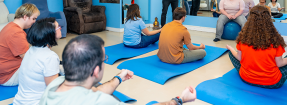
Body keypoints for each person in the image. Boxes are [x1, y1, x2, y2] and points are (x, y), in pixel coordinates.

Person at [39, 35, 197, 105]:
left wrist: (119, 78)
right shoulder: (103, 103)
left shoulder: (54, 86)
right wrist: (179, 99)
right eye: (103, 59)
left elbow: (96, 92)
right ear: (95, 71)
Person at [226, 5, 287, 89]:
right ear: (268, 19)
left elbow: (239, 58)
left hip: (246, 79)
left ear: (250, 19)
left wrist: (231, 49)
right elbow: (279, 63)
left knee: (231, 53)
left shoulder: (243, 37)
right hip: (273, 83)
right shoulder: (275, 40)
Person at [13, 18, 62, 105]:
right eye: (59, 27)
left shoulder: (31, 50)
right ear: (50, 33)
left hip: (19, 102)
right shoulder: (50, 57)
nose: (61, 28)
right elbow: (53, 90)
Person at [0, 3, 40, 86]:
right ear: (25, 17)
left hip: (1, 74)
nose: (34, 22)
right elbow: (28, 59)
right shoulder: (17, 33)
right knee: (47, 68)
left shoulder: (10, 26)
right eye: (33, 19)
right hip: (8, 77)